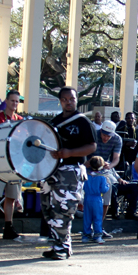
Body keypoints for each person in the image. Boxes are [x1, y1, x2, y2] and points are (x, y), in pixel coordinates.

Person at [42, 87, 96, 260]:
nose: (68, 102)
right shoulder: (54, 121)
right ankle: (58, 245)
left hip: (71, 171)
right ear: (60, 101)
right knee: (49, 209)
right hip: (53, 170)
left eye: (71, 98)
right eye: (65, 99)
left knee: (64, 209)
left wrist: (69, 153)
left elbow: (92, 147)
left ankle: (63, 248)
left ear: (76, 100)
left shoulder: (82, 122)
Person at [0, 90, 24, 241]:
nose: (15, 104)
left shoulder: (20, 119)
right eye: (12, 101)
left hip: (14, 163)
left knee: (11, 197)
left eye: (17, 101)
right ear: (6, 101)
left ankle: (8, 227)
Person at [88, 119, 122, 233]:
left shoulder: (117, 139)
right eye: (104, 135)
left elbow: (116, 158)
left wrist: (110, 165)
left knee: (108, 192)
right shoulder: (93, 135)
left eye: (109, 136)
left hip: (104, 168)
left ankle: (98, 226)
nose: (105, 138)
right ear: (100, 131)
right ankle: (88, 226)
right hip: (89, 166)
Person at [82, 156, 109, 244]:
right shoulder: (102, 177)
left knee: (87, 217)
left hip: (87, 198)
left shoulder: (86, 175)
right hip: (97, 198)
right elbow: (103, 189)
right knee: (97, 218)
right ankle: (97, 235)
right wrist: (107, 186)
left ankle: (86, 235)